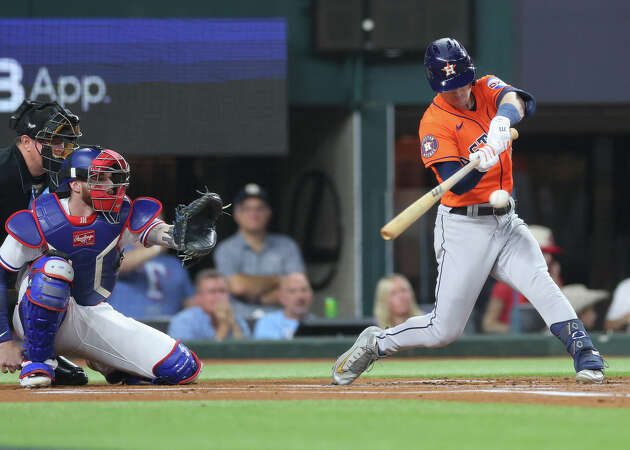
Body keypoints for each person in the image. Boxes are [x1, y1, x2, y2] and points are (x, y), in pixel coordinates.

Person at [332, 37, 605, 385]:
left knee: (541, 282)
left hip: (506, 221)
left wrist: (502, 122)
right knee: (443, 330)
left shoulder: (487, 87)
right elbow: (453, 183)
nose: (459, 92)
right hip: (463, 229)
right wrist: (478, 165)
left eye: (462, 82)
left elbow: (521, 101)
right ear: (435, 84)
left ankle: (585, 351)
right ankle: (378, 341)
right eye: (451, 87)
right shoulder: (434, 122)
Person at [0, 146, 220, 388]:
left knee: (182, 368)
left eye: (111, 178)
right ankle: (38, 361)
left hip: (91, 311)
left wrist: (182, 237)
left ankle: (105, 361)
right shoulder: (41, 218)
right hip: (35, 315)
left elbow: (159, 232)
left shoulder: (120, 214)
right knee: (54, 269)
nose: (109, 185)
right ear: (75, 184)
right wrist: (3, 339)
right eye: (99, 178)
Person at [0, 100, 87, 386]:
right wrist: (3, 338)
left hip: (15, 273)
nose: (63, 150)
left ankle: (42, 350)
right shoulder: (3, 175)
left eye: (67, 143)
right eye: (54, 142)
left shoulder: (62, 177)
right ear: (26, 142)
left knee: (61, 266)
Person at [213, 183, 306, 320]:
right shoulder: (226, 249)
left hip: (281, 323)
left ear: (269, 213)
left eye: (260, 208)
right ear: (237, 215)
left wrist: (256, 297)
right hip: (239, 324)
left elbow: (298, 290)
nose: (254, 214)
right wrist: (279, 279)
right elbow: (238, 287)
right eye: (247, 209)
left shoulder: (287, 246)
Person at [482, 225, 563, 333]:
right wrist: (516, 330)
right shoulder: (505, 284)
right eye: (542, 252)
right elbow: (488, 324)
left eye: (549, 253)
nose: (548, 258)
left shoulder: (553, 280)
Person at [107, 242, 195, 320]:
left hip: (165, 326)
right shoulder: (119, 249)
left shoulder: (174, 263)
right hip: (126, 324)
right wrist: (158, 247)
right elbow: (118, 265)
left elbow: (189, 301)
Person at [168, 269, 250, 341]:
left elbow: (245, 354)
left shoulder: (237, 320)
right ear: (198, 297)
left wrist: (234, 326)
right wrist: (224, 326)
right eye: (212, 292)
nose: (218, 297)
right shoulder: (183, 322)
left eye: (222, 291)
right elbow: (186, 357)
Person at [253, 272, 314, 340]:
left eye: (304, 290)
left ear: (311, 294)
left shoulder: (317, 323)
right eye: (292, 291)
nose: (300, 297)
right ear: (281, 297)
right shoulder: (268, 322)